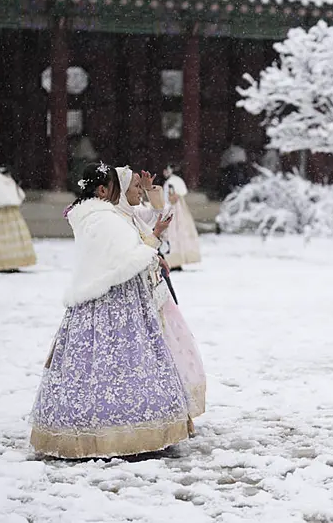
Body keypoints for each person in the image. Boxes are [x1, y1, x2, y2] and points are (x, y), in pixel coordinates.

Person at [29, 162, 190, 459]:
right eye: (116, 186)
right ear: (103, 190)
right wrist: (152, 245)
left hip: (98, 297)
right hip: (116, 299)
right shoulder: (102, 218)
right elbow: (126, 258)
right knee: (121, 360)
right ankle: (120, 431)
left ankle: (98, 428)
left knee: (97, 364)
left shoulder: (95, 214)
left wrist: (151, 242)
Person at [115, 166, 207, 421]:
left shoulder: (131, 212)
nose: (139, 191)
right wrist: (154, 245)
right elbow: (142, 242)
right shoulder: (116, 217)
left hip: (151, 287)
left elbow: (160, 216)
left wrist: (149, 191)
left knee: (167, 346)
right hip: (135, 294)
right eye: (135, 187)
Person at [0, 165, 37, 273]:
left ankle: (9, 263)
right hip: (6, 212)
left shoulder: (4, 179)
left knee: (4, 239)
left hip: (6, 213)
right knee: (9, 238)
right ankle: (6, 263)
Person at [162, 165, 202, 270]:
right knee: (178, 235)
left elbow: (172, 198)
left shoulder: (171, 182)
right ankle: (177, 260)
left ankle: (175, 261)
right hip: (177, 211)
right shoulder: (175, 181)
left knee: (173, 234)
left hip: (173, 211)